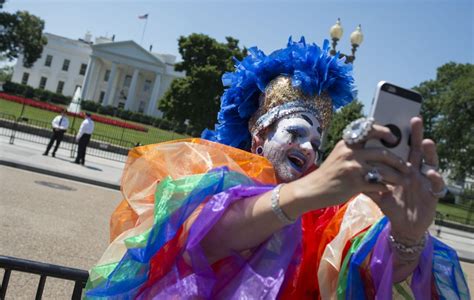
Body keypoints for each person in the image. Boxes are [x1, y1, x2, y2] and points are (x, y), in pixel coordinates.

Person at [85, 38, 469, 299]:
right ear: (258, 134)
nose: (308, 149)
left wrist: (407, 237)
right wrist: (304, 193)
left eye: (317, 143)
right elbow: (201, 240)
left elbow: (365, 269)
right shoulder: (210, 172)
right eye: (296, 132)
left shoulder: (328, 210)